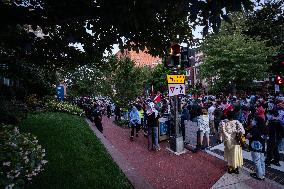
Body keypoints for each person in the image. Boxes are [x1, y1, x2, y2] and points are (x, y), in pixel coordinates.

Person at [247, 116, 267, 180]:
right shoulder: (264, 127)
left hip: (255, 146)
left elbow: (248, 136)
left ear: (256, 121)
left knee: (256, 161)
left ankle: (260, 175)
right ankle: (262, 173)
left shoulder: (255, 128)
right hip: (261, 146)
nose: (252, 121)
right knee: (261, 160)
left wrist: (248, 134)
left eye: (253, 120)